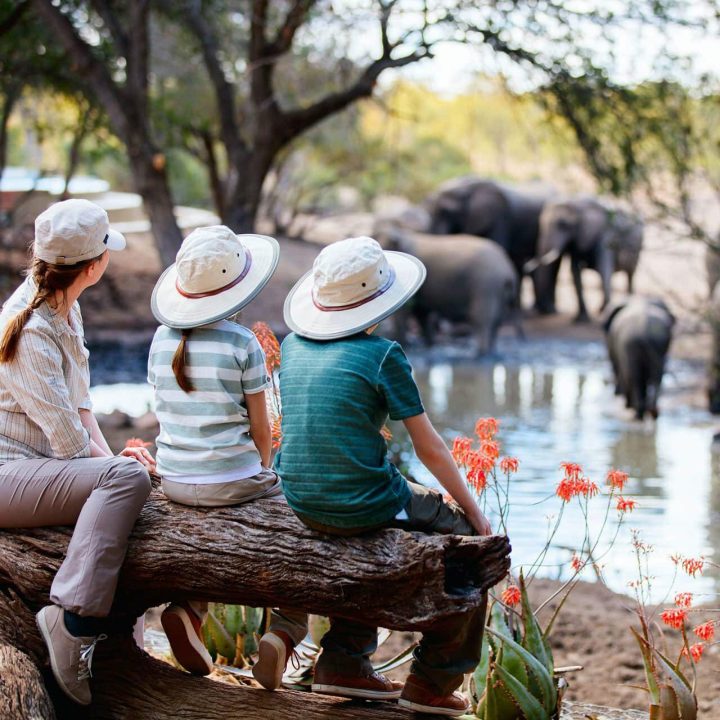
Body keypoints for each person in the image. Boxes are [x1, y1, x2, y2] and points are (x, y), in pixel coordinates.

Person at [265, 236, 492, 717]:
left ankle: (343, 661)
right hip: (361, 502)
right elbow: (429, 446)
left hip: (298, 498)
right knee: (469, 546)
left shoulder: (293, 346)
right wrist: (471, 508)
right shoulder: (383, 354)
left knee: (363, 526)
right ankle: (433, 680)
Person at [0, 199, 155, 706]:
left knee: (129, 477)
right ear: (93, 266)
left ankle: (103, 629)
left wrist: (116, 460)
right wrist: (116, 471)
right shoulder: (31, 330)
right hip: (8, 474)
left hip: (37, 468)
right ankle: (71, 621)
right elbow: (69, 445)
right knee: (127, 480)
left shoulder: (67, 308)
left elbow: (82, 407)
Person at [147, 225, 307, 685]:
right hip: (234, 480)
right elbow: (261, 429)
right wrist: (266, 474)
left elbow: (165, 412)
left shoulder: (160, 340)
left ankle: (190, 608)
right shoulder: (242, 344)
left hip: (175, 479)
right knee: (302, 528)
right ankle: (286, 630)